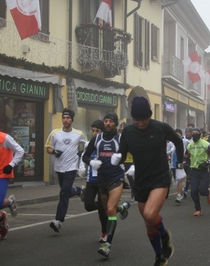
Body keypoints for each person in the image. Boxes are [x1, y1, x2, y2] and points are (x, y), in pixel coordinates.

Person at [113, 96, 183, 266]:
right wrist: (118, 158)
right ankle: (160, 255)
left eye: (144, 119)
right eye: (137, 119)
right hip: (141, 180)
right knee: (149, 224)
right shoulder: (128, 131)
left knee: (150, 215)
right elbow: (123, 152)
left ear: (149, 115)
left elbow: (178, 141)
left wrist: (180, 162)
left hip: (160, 178)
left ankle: (166, 236)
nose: (140, 123)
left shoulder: (161, 128)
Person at [82, 111, 130, 258]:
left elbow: (130, 153)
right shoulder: (97, 139)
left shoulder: (121, 139)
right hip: (101, 179)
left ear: (115, 123)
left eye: (111, 121)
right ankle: (123, 208)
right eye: (106, 121)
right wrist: (91, 162)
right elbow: (85, 155)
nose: (108, 123)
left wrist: (122, 159)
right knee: (109, 209)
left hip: (116, 178)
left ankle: (107, 245)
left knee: (110, 209)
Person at [0, 111, 24, 241]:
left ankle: (10, 201)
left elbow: (20, 151)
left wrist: (11, 164)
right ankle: (1, 231)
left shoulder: (4, 137)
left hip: (2, 174)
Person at [45, 108, 86, 233]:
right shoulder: (55, 133)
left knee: (63, 193)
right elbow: (48, 147)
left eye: (68, 118)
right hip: (59, 167)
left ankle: (58, 221)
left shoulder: (78, 134)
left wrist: (82, 152)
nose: (65, 120)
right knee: (66, 191)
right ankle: (78, 190)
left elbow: (87, 146)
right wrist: (54, 152)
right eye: (63, 117)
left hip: (71, 167)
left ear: (72, 120)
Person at [77, 120, 108, 243]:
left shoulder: (105, 143)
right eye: (93, 131)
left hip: (103, 180)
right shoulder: (89, 144)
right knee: (88, 205)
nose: (94, 133)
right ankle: (112, 209)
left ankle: (104, 232)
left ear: (102, 132)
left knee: (102, 208)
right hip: (91, 180)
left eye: (97, 131)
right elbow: (84, 156)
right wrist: (82, 167)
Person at [187, 127, 210, 216]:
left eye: (196, 132)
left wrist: (206, 163)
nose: (194, 134)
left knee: (202, 192)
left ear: (200, 134)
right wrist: (184, 164)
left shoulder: (206, 144)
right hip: (193, 171)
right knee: (193, 191)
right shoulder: (189, 145)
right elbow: (185, 157)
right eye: (193, 133)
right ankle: (198, 209)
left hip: (204, 171)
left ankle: (208, 192)